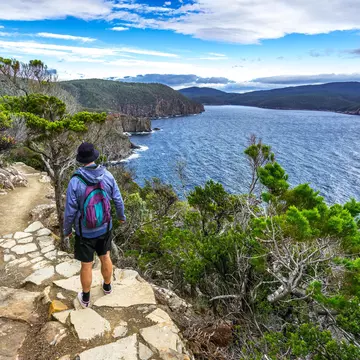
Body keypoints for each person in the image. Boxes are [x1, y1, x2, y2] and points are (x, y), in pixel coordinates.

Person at [63, 142, 126, 308]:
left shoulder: (75, 181)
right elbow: (118, 199)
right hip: (105, 226)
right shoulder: (107, 175)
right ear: (94, 157)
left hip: (84, 231)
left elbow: (70, 210)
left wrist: (67, 230)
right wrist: (121, 216)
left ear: (81, 160)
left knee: (86, 264)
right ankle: (107, 287)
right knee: (105, 256)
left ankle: (85, 298)